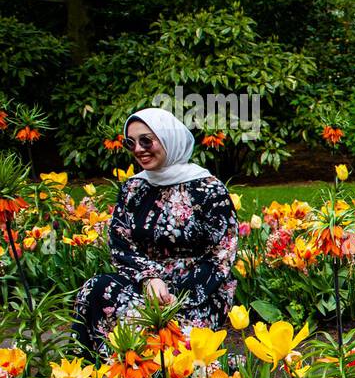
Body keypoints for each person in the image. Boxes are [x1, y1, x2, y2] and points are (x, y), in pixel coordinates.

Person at [74, 107, 239, 358]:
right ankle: (95, 374)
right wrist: (149, 277)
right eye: (131, 143)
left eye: (146, 140)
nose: (139, 149)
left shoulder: (208, 189)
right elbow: (121, 243)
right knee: (96, 288)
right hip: (146, 284)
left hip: (196, 291)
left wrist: (179, 294)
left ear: (168, 138)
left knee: (149, 325)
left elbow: (221, 253)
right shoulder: (134, 188)